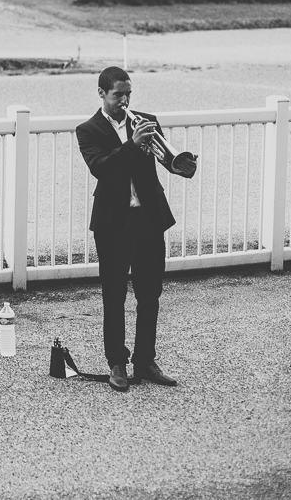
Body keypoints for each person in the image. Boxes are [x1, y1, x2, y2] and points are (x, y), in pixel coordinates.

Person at [75, 66, 186, 392]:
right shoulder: (88, 130)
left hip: (149, 218)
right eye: (117, 95)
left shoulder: (146, 120)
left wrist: (178, 161)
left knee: (150, 293)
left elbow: (164, 158)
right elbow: (102, 169)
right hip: (113, 223)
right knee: (114, 294)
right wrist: (131, 145)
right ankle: (117, 364)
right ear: (101, 94)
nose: (124, 100)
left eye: (128, 94)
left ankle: (145, 360)